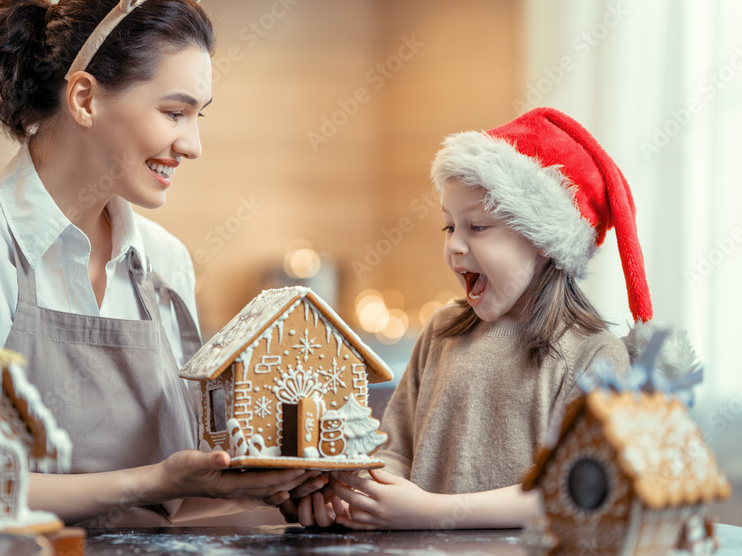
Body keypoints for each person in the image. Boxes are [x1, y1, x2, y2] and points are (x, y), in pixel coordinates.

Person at [0, 0, 314, 525]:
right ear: (85, 98)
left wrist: (264, 485)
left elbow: (186, 493)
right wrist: (152, 482)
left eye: (200, 116)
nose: (193, 144)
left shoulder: (165, 263)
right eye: (174, 112)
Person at [285, 107, 696, 530]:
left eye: (477, 227)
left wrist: (428, 512)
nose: (455, 247)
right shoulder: (443, 331)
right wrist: (353, 499)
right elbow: (395, 452)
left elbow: (577, 492)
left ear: (542, 240)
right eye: (449, 227)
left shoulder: (594, 356)